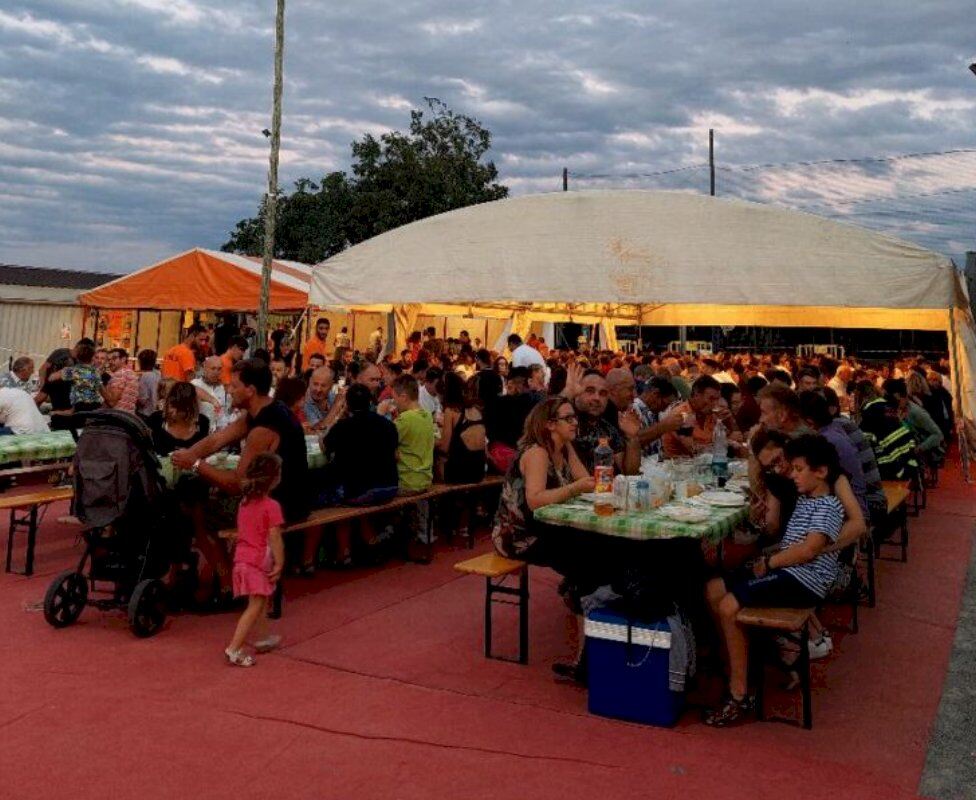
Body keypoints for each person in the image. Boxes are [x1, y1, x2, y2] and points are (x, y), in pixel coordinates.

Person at [705, 434, 845, 727]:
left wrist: (768, 562)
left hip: (803, 581)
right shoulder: (808, 500)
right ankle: (738, 663)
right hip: (787, 572)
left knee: (729, 605)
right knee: (713, 587)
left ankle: (739, 694)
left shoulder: (829, 506)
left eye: (798, 469)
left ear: (820, 472)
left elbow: (808, 550)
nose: (792, 475)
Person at [224, 453, 286, 667]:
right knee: (255, 606)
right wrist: (279, 562)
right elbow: (275, 537)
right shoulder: (271, 506)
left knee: (257, 602)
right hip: (257, 561)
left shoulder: (245, 502)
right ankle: (234, 647)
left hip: (242, 558)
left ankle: (263, 637)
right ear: (275, 479)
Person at [569, 369, 641, 474]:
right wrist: (567, 393)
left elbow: (629, 473)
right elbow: (546, 415)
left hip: (605, 488)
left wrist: (633, 438)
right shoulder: (565, 423)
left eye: (602, 393)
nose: (597, 398)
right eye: (590, 391)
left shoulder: (608, 428)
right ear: (577, 393)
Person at [661, 375, 731, 457]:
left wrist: (729, 420)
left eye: (717, 399)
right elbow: (693, 450)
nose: (715, 404)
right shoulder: (681, 415)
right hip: (678, 465)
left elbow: (733, 437)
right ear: (697, 394)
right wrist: (723, 444)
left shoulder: (709, 413)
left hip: (701, 464)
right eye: (711, 399)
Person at [148, 382, 211, 457]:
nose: (173, 411)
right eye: (171, 405)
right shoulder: (156, 419)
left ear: (190, 408)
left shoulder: (202, 423)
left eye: (179, 408)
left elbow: (204, 455)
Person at [51, 341, 103, 412]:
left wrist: (62, 370)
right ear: (92, 358)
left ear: (77, 357)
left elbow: (51, 378)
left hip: (78, 410)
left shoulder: (74, 371)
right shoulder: (96, 372)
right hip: (95, 408)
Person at [35, 348, 75, 430]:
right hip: (79, 422)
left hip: (61, 423)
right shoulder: (81, 380)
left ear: (55, 367)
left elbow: (37, 401)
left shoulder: (52, 381)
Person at [192, 356, 234, 431]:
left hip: (218, 433)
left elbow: (228, 412)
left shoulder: (224, 389)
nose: (216, 372)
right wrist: (212, 400)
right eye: (213, 368)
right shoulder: (195, 383)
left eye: (219, 369)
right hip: (200, 431)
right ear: (205, 368)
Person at [103, 348, 140, 413]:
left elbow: (112, 402)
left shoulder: (120, 374)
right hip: (128, 417)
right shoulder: (131, 373)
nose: (110, 362)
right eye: (109, 360)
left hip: (118, 417)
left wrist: (99, 386)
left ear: (123, 359)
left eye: (114, 358)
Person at [136, 349, 161, 418]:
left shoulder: (145, 376)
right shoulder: (158, 374)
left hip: (145, 413)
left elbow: (143, 400)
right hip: (156, 411)